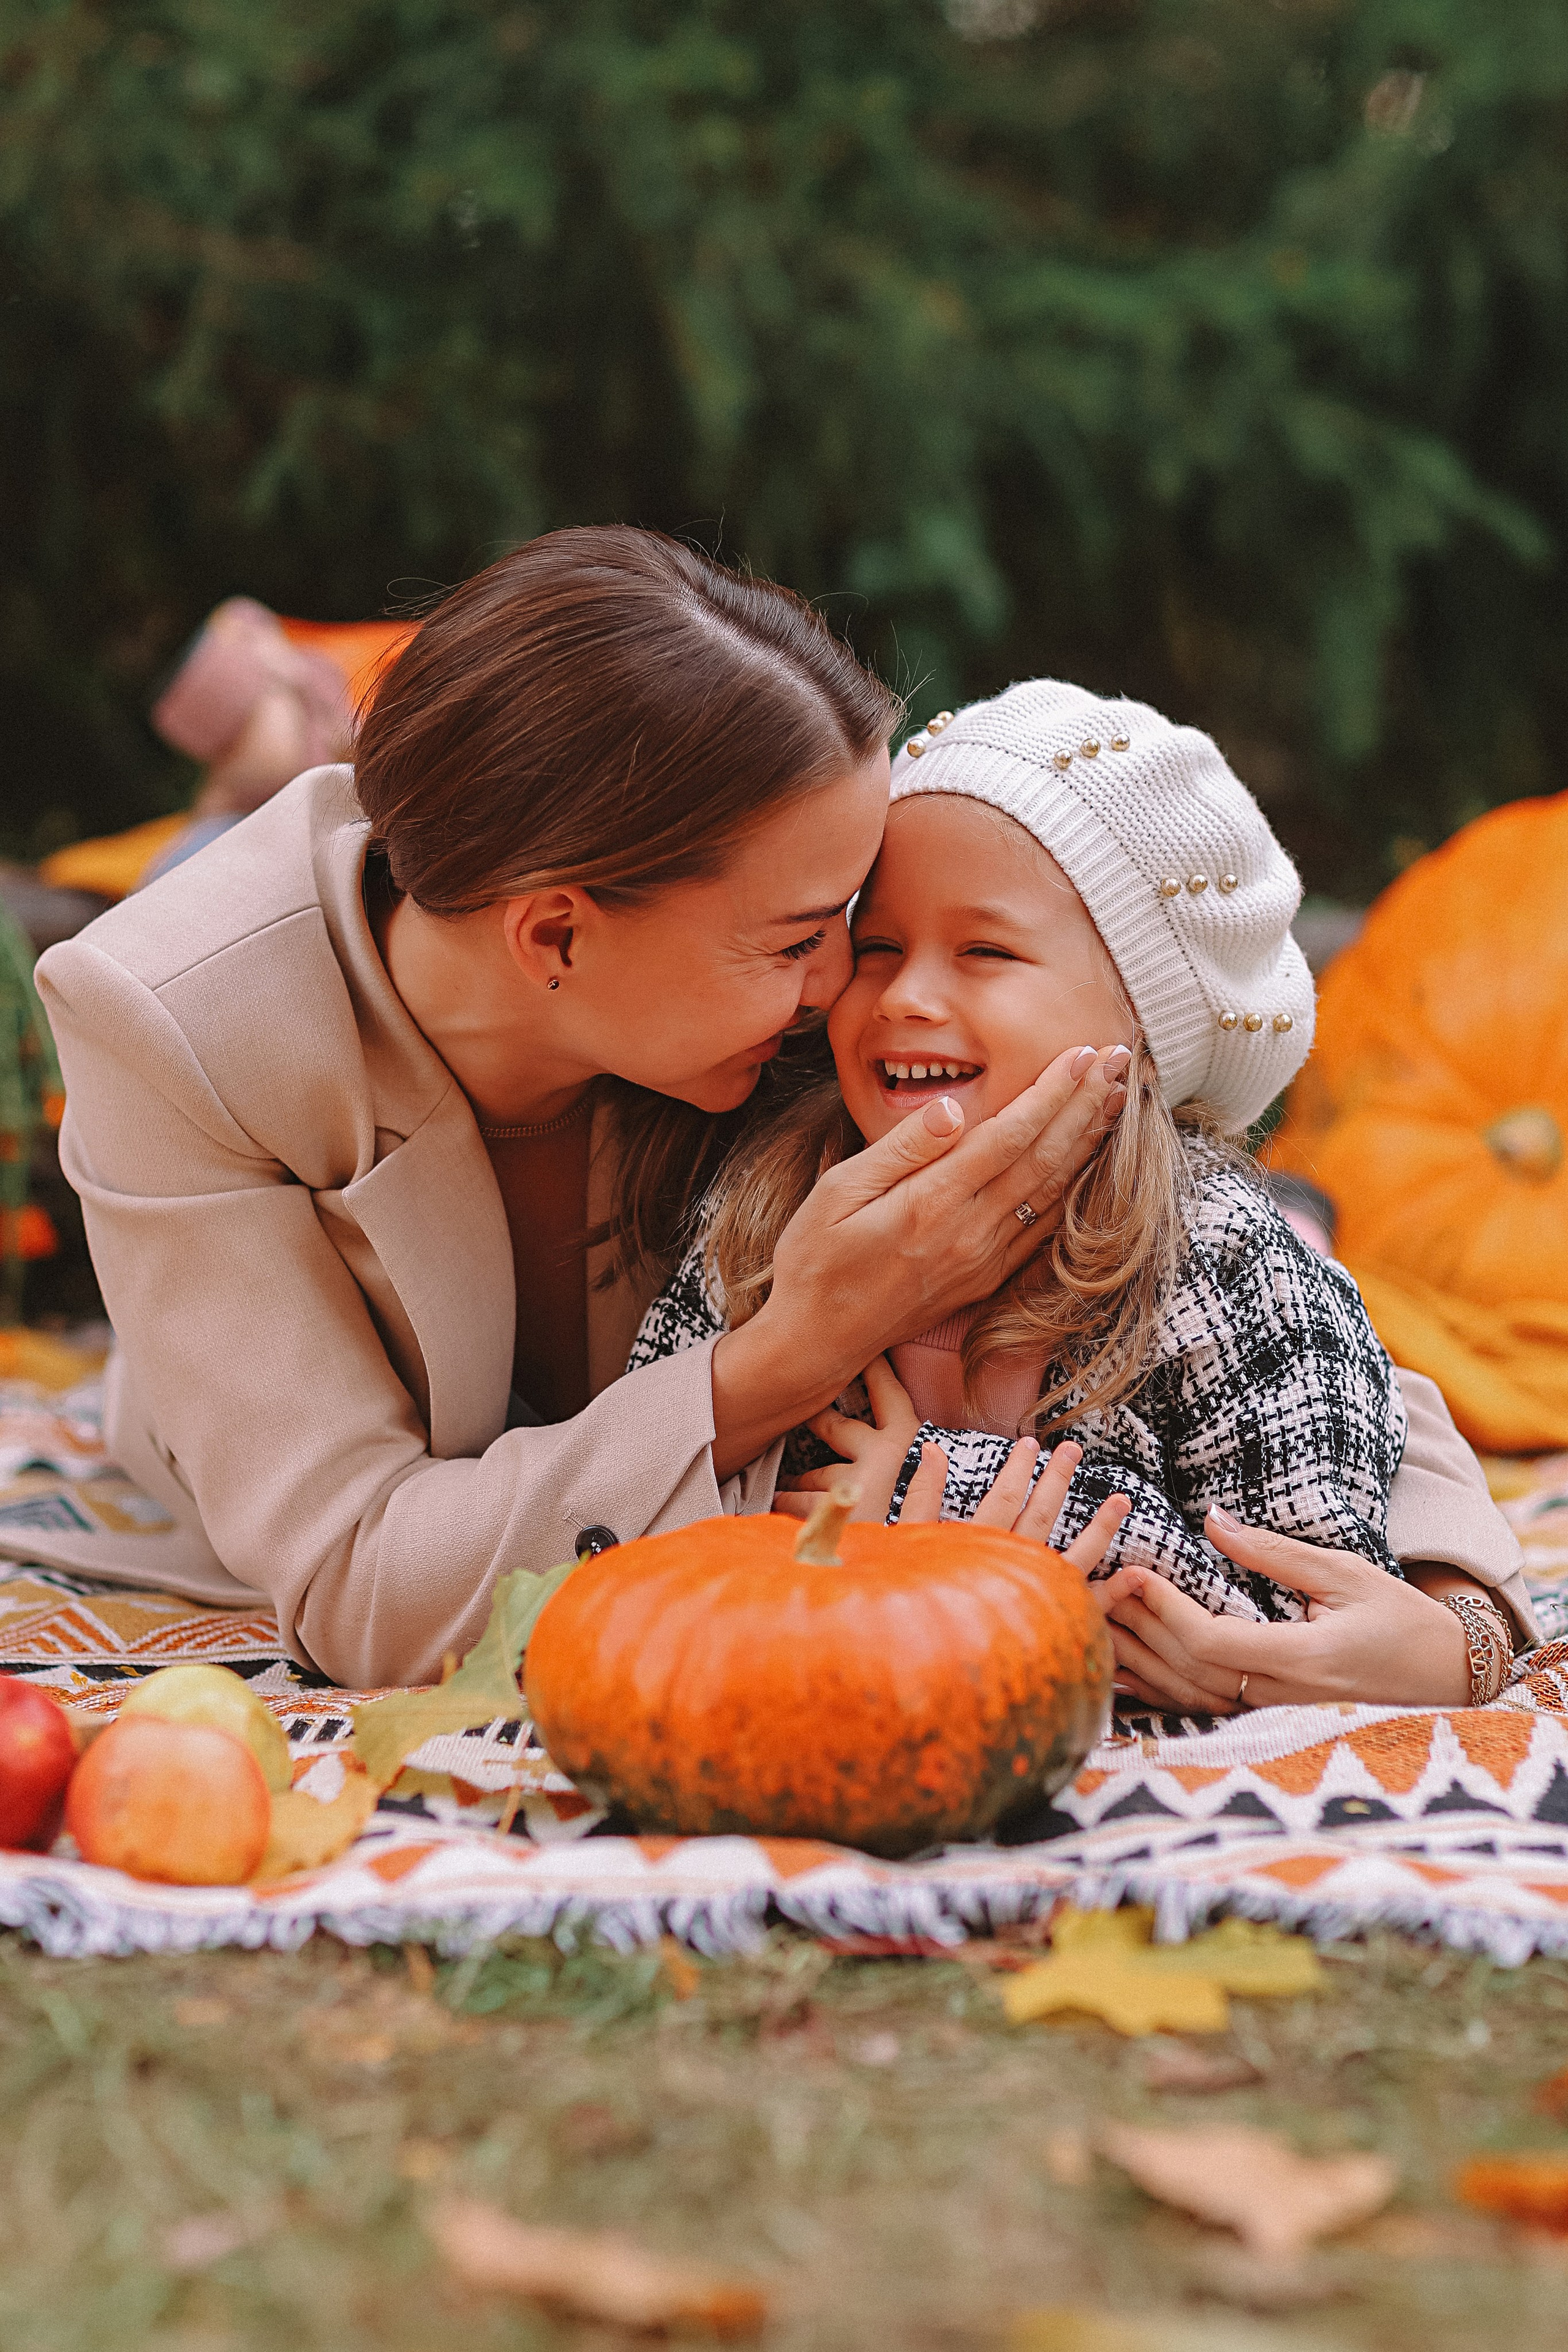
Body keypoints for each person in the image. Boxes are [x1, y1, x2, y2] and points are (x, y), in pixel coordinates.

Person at [32, 532, 1125, 1687]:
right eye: (800, 937)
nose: (849, 980)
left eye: (847, 914)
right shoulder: (169, 1027)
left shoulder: (775, 977)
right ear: (554, 933)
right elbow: (365, 1590)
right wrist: (792, 1355)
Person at [628, 680, 1534, 1712]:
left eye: (985, 952)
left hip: (1251, 1252)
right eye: (877, 948)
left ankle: (1303, 1211)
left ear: (1140, 1023)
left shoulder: (1221, 1262)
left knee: (1301, 1253)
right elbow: (668, 1497)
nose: (910, 996)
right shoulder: (767, 1205)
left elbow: (1296, 1603)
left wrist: (951, 1498)